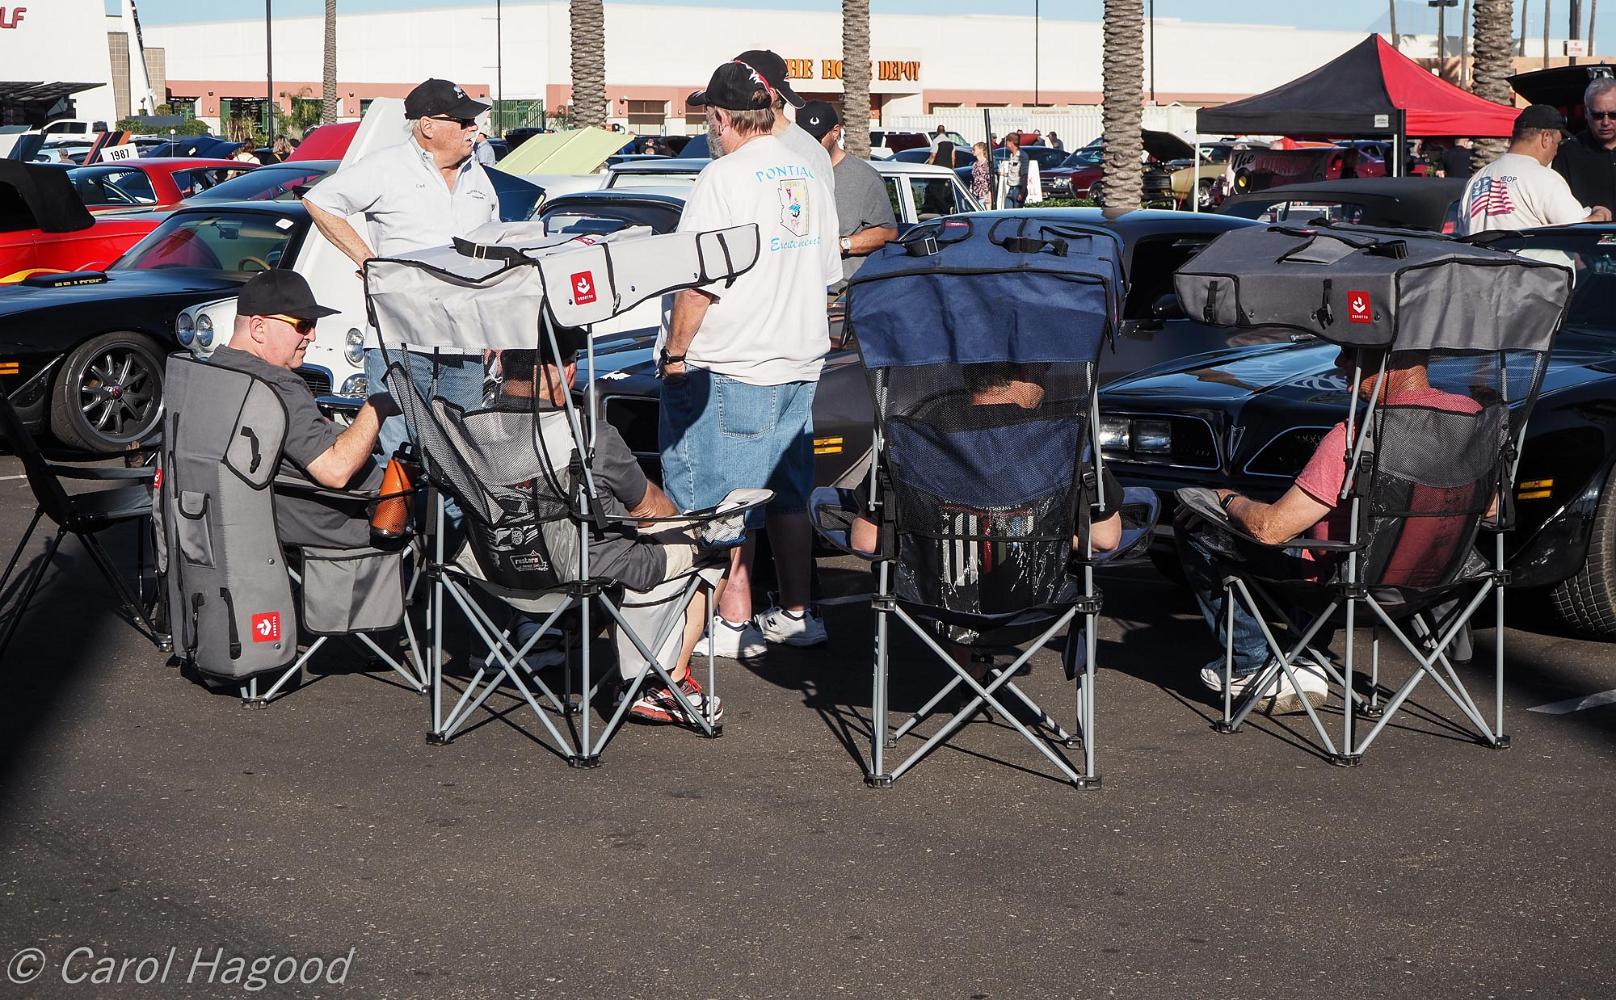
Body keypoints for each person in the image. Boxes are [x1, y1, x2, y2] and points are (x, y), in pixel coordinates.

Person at [1175, 348, 1484, 715]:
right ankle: (1305, 656)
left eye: (1351, 353)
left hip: (1345, 587)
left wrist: (1227, 499)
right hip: (1430, 584)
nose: (1339, 363)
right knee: (1324, 525)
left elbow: (1271, 530)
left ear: (1392, 360)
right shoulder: (1471, 420)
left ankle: (1252, 666)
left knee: (1196, 521)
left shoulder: (1355, 436)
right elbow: (1492, 510)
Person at [659, 59, 840, 658]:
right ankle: (797, 612)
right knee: (785, 494)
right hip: (797, 360)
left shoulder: (723, 177)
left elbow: (698, 283)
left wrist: (675, 353)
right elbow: (827, 273)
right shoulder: (808, 170)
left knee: (715, 503)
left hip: (736, 362)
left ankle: (731, 624)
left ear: (720, 116)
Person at [473, 342, 729, 724]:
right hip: (584, 574)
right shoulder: (589, 435)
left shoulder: (472, 432)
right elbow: (649, 510)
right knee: (718, 542)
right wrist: (684, 526)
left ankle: (542, 635)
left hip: (498, 571)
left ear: (503, 366)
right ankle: (664, 683)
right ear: (568, 371)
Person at [302, 77, 499, 466]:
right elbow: (319, 201)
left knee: (465, 462)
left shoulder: (478, 176)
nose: (473, 129)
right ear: (427, 126)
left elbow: (492, 249)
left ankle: (451, 511)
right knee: (400, 459)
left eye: (472, 121)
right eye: (463, 121)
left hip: (466, 342)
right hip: (400, 340)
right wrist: (367, 261)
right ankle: (407, 510)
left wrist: (494, 325)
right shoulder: (387, 167)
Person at [207, 271, 398, 550]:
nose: (312, 336)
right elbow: (335, 471)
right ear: (258, 328)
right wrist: (376, 406)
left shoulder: (211, 370)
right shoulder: (277, 387)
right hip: (323, 538)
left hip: (227, 530)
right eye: (303, 325)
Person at [1460, 104, 1612, 235]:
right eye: (1557, 143)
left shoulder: (1475, 180)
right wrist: (1600, 214)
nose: (1556, 151)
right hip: (1525, 260)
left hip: (1479, 261)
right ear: (1545, 138)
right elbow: (1579, 229)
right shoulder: (1544, 178)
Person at [799, 100, 898, 290]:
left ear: (835, 132)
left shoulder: (864, 177)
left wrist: (841, 245)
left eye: (817, 138)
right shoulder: (794, 172)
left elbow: (888, 232)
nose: (811, 145)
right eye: (805, 138)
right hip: (800, 291)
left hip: (840, 293)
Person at [731, 49, 836, 196]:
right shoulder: (735, 140)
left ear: (770, 96)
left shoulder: (809, 152)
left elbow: (822, 208)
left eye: (737, 90)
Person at [1553, 78, 1616, 213]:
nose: (1606, 122)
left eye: (1613, 115)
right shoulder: (1567, 154)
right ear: (1586, 113)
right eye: (1598, 115)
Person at [1000, 134, 1030, 209]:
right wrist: (1003, 174)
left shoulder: (1022, 156)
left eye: (1007, 142)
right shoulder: (1011, 155)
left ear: (1011, 142)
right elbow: (1014, 172)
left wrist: (1022, 192)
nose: (1006, 144)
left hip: (1018, 189)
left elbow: (1024, 175)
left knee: (1016, 213)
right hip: (1011, 188)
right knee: (1007, 212)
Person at [970, 141, 994, 208]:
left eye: (974, 149)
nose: (972, 151)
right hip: (975, 195)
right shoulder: (974, 164)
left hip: (985, 195)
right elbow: (973, 179)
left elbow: (990, 181)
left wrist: (990, 196)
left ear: (981, 150)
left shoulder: (987, 163)